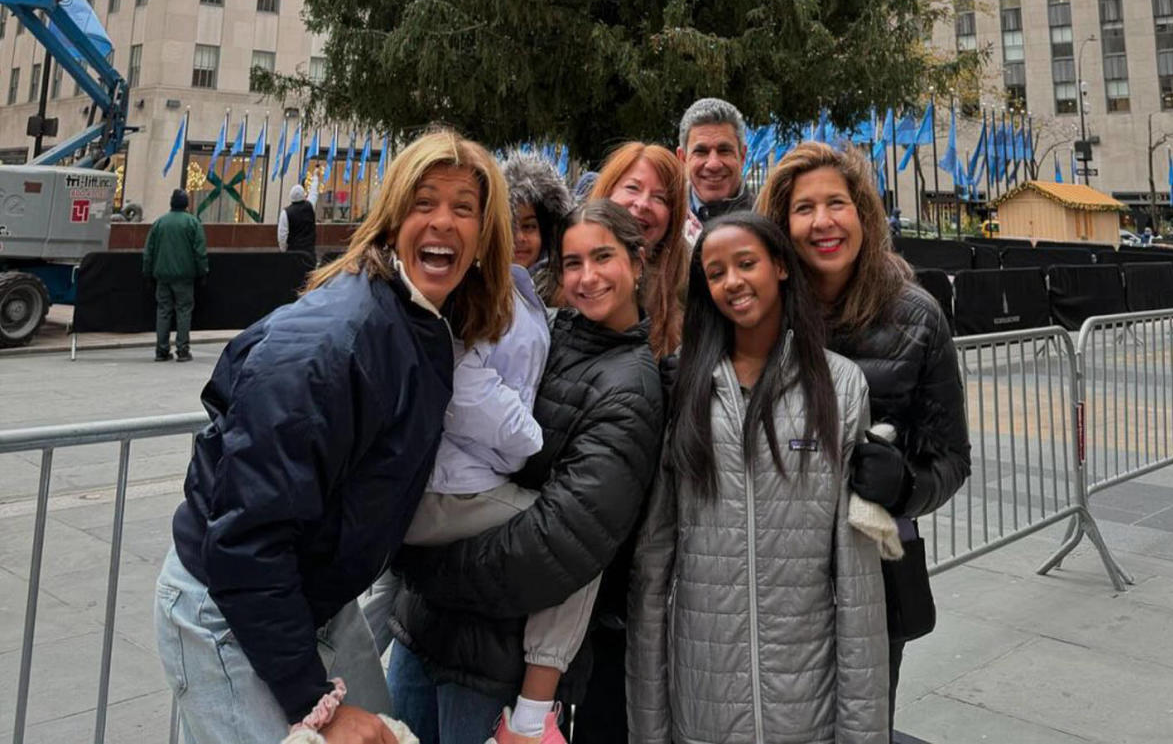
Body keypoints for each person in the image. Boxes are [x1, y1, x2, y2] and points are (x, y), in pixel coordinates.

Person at [153, 129, 514, 744]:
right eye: (424, 202)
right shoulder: (335, 339)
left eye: (464, 207)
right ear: (392, 217)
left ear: (484, 237)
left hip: (311, 597)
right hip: (230, 608)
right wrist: (315, 704)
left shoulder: (422, 323)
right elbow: (245, 536)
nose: (444, 221)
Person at [388, 201, 666, 744]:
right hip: (427, 631)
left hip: (495, 661)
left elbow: (564, 543)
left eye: (603, 257)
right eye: (572, 262)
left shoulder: (630, 385)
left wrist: (425, 567)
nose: (586, 278)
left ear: (637, 262)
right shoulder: (549, 327)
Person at [628, 211, 889, 743]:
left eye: (746, 263)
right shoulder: (682, 384)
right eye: (716, 272)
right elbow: (653, 564)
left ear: (780, 268)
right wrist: (648, 729)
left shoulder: (840, 385)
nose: (733, 283)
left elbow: (858, 576)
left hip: (806, 698)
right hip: (703, 698)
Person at [757, 144, 969, 732]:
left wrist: (905, 486)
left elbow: (951, 458)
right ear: (781, 223)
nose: (823, 221)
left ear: (863, 214)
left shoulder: (917, 318)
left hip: (870, 575)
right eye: (804, 208)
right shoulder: (756, 311)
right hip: (773, 571)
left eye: (836, 203)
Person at [589, 142, 688, 359]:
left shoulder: (688, 291)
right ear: (607, 192)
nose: (643, 204)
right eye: (632, 188)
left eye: (660, 198)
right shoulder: (558, 275)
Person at [142, 187, 208, 362]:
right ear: (186, 204)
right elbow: (200, 252)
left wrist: (148, 274)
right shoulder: (193, 223)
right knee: (184, 311)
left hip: (162, 275)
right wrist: (203, 272)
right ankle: (183, 350)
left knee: (163, 311)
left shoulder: (159, 223)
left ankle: (161, 350)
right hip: (185, 276)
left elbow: (148, 252)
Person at [500, 150, 574, 292]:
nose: (519, 238)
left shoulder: (566, 291)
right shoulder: (477, 294)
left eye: (529, 227)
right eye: (510, 227)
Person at [676, 97, 752, 230]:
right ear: (683, 158)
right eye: (701, 151)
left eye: (724, 151)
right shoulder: (665, 224)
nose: (713, 164)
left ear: (742, 156)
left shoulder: (769, 220)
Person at [278, 182, 318, 271]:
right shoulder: (310, 206)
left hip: (293, 254)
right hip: (309, 254)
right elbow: (313, 193)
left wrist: (284, 251)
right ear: (303, 195)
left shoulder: (285, 213)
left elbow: (282, 236)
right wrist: (315, 177)